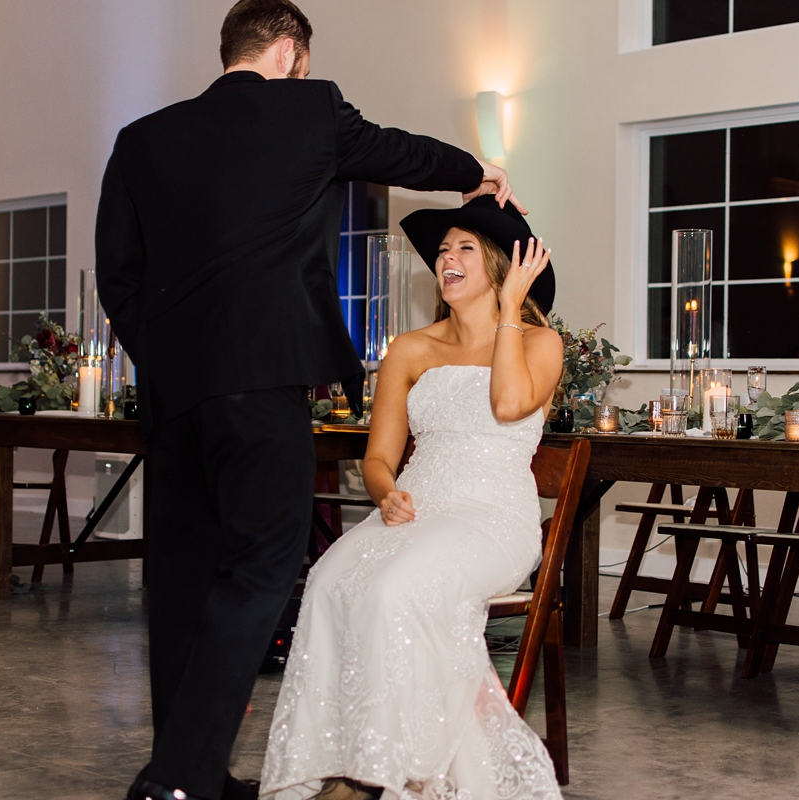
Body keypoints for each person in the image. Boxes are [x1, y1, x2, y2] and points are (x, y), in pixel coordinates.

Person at [94, 3, 524, 799]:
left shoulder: (142, 138)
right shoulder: (310, 108)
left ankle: (197, 773)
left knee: (182, 581)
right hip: (263, 382)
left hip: (174, 392)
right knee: (260, 568)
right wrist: (474, 171)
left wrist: (168, 358)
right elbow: (399, 151)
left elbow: (118, 275)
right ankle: (178, 780)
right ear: (291, 51)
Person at [260, 195, 562, 800]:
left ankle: (376, 777)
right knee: (327, 582)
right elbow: (377, 457)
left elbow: (506, 405)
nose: (446, 258)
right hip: (414, 509)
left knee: (397, 590)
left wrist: (507, 311)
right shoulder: (410, 349)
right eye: (442, 250)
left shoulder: (539, 343)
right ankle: (346, 760)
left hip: (491, 516)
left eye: (465, 248)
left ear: (502, 265)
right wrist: (386, 492)